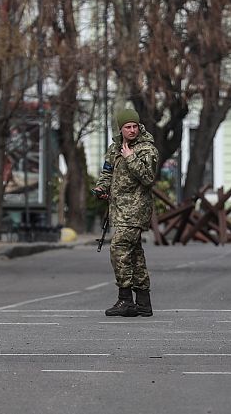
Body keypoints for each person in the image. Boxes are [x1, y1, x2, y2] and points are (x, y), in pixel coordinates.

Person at [94, 108, 159, 317]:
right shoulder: (115, 148)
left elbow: (148, 178)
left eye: (134, 126)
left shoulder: (147, 149)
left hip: (136, 209)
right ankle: (142, 302)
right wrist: (101, 188)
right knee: (135, 254)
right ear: (120, 129)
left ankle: (125, 300)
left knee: (119, 247)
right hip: (119, 209)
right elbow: (107, 173)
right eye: (127, 127)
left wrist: (131, 158)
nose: (132, 130)